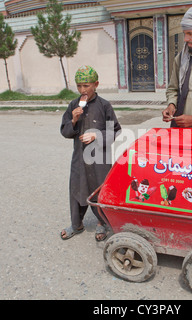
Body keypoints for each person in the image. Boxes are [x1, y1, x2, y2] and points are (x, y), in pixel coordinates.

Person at [60, 65, 121, 241]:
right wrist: (74, 119)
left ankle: (101, 223)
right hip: (79, 158)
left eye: (86, 86)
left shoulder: (104, 105)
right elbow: (65, 132)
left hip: (100, 159)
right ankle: (76, 224)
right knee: (77, 189)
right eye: (79, 86)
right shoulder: (73, 104)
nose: (82, 90)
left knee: (99, 190)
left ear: (96, 84)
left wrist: (97, 135)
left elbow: (115, 131)